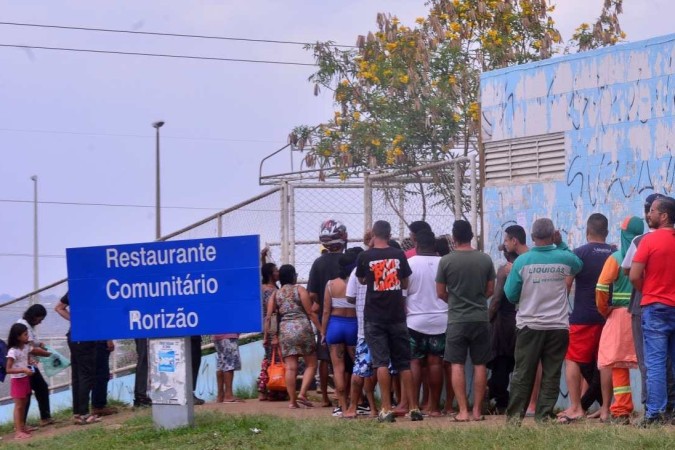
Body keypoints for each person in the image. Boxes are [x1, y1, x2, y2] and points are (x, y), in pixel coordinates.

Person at [504, 218, 583, 425]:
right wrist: (561, 244)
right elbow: (578, 265)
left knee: (523, 373)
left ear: (531, 237)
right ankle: (544, 417)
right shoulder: (564, 258)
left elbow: (511, 294)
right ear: (553, 234)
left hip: (529, 325)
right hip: (557, 326)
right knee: (552, 373)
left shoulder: (522, 261)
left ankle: (514, 419)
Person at [356, 220, 423, 423]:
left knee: (381, 362)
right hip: (397, 316)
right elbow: (405, 282)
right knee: (404, 363)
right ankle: (413, 407)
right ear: (390, 233)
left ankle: (385, 409)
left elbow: (361, 280)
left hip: (375, 316)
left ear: (373, 234)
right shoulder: (399, 254)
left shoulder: (365, 256)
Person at [436, 220, 495, 422]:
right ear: (471, 236)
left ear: (454, 238)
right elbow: (490, 290)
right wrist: (477, 300)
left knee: (457, 364)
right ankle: (477, 411)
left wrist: (455, 300)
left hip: (456, 320)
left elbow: (440, 292)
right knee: (480, 364)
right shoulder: (485, 259)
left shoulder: (446, 261)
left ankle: (462, 410)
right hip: (480, 317)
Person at [621, 193, 675, 415]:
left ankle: (655, 412)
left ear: (663, 216)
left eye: (652, 210)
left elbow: (633, 275)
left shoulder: (648, 240)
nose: (648, 214)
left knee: (654, 362)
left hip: (655, 307)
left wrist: (648, 290)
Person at [558, 213, 613, 423]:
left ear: (587, 231)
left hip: (583, 317)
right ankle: (606, 408)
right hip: (608, 317)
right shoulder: (615, 253)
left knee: (573, 360)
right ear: (606, 233)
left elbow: (566, 285)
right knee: (605, 362)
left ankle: (575, 407)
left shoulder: (579, 254)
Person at [595, 216, 643, 424]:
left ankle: (621, 409)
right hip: (644, 312)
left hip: (619, 316)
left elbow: (602, 287)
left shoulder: (615, 258)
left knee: (615, 363)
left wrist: (605, 310)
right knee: (649, 362)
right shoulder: (647, 253)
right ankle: (654, 407)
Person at [265, 264, 321, 409]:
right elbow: (310, 312)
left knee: (290, 367)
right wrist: (322, 329)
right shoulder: (299, 290)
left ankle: (292, 401)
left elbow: (270, 317)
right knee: (311, 364)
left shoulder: (275, 294)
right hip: (303, 328)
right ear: (293, 276)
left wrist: (272, 336)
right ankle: (302, 393)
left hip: (285, 331)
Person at [406, 229, 447, 417]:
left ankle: (413, 406)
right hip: (441, 320)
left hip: (415, 320)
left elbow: (403, 293)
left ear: (416, 245)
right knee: (435, 363)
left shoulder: (410, 264)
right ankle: (435, 407)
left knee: (414, 362)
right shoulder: (444, 263)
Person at [307, 219, 348, 407]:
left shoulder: (318, 263)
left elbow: (312, 293)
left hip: (326, 319)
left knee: (324, 358)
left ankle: (324, 397)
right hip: (349, 315)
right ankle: (348, 397)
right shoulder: (348, 261)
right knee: (347, 359)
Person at [343, 244, 379, 419]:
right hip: (382, 325)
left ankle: (352, 407)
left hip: (364, 328)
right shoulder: (381, 267)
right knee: (379, 369)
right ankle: (375, 408)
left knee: (360, 370)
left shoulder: (356, 271)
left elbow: (349, 297)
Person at [55, 293, 102, 425]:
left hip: (73, 336)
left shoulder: (74, 290)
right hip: (85, 336)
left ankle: (78, 413)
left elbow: (59, 307)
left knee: (77, 376)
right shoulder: (92, 290)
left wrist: (74, 320)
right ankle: (84, 414)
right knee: (86, 375)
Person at [321, 251, 358, 417]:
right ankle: (356, 403)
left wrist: (323, 332)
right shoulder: (357, 282)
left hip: (335, 325)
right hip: (354, 325)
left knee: (338, 368)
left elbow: (326, 311)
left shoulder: (330, 284)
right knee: (358, 366)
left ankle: (342, 406)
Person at [487, 246, 519, 414]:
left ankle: (498, 396)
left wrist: (488, 319)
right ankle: (501, 400)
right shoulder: (524, 266)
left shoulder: (504, 270)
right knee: (508, 365)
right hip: (519, 320)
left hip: (503, 323)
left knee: (501, 363)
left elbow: (497, 299)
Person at [16, 304, 54, 426]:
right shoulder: (23, 326)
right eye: (40, 319)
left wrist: (40, 344)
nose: (40, 322)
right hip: (25, 364)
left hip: (28, 363)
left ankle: (27, 421)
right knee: (34, 390)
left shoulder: (26, 325)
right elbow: (29, 348)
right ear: (34, 316)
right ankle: (23, 423)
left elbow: (32, 343)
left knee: (36, 390)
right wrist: (46, 354)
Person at [6, 323, 41, 440]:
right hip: (17, 380)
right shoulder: (12, 351)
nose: (28, 336)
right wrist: (23, 369)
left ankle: (22, 426)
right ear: (18, 337)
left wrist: (30, 363)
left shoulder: (25, 348)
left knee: (24, 403)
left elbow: (25, 360)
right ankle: (18, 432)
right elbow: (8, 369)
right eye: (25, 334)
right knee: (19, 406)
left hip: (25, 378)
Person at [258, 262, 283, 401]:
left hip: (268, 324)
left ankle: (268, 388)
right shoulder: (270, 290)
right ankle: (270, 389)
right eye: (275, 271)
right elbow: (271, 313)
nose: (278, 273)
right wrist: (271, 334)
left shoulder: (267, 288)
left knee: (270, 356)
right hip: (272, 324)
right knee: (272, 357)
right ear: (270, 274)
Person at [213, 333, 244, 403]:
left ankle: (220, 396)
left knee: (221, 364)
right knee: (229, 363)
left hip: (217, 336)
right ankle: (228, 395)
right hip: (229, 334)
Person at [191, 335, 205, 405]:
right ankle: (189, 394)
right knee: (193, 365)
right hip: (191, 337)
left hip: (193, 336)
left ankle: (190, 394)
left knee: (194, 365)